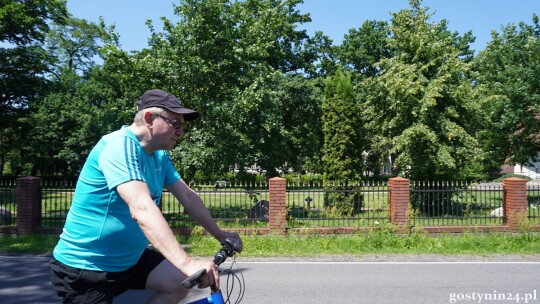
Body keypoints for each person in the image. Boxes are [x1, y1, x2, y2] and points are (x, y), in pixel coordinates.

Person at [50, 89, 243, 304]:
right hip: (88, 267)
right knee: (185, 270)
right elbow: (142, 208)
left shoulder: (158, 155)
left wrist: (220, 234)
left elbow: (188, 197)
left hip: (131, 260)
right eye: (175, 124)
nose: (181, 133)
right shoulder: (118, 146)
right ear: (149, 118)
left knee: (181, 281)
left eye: (183, 126)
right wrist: (187, 262)